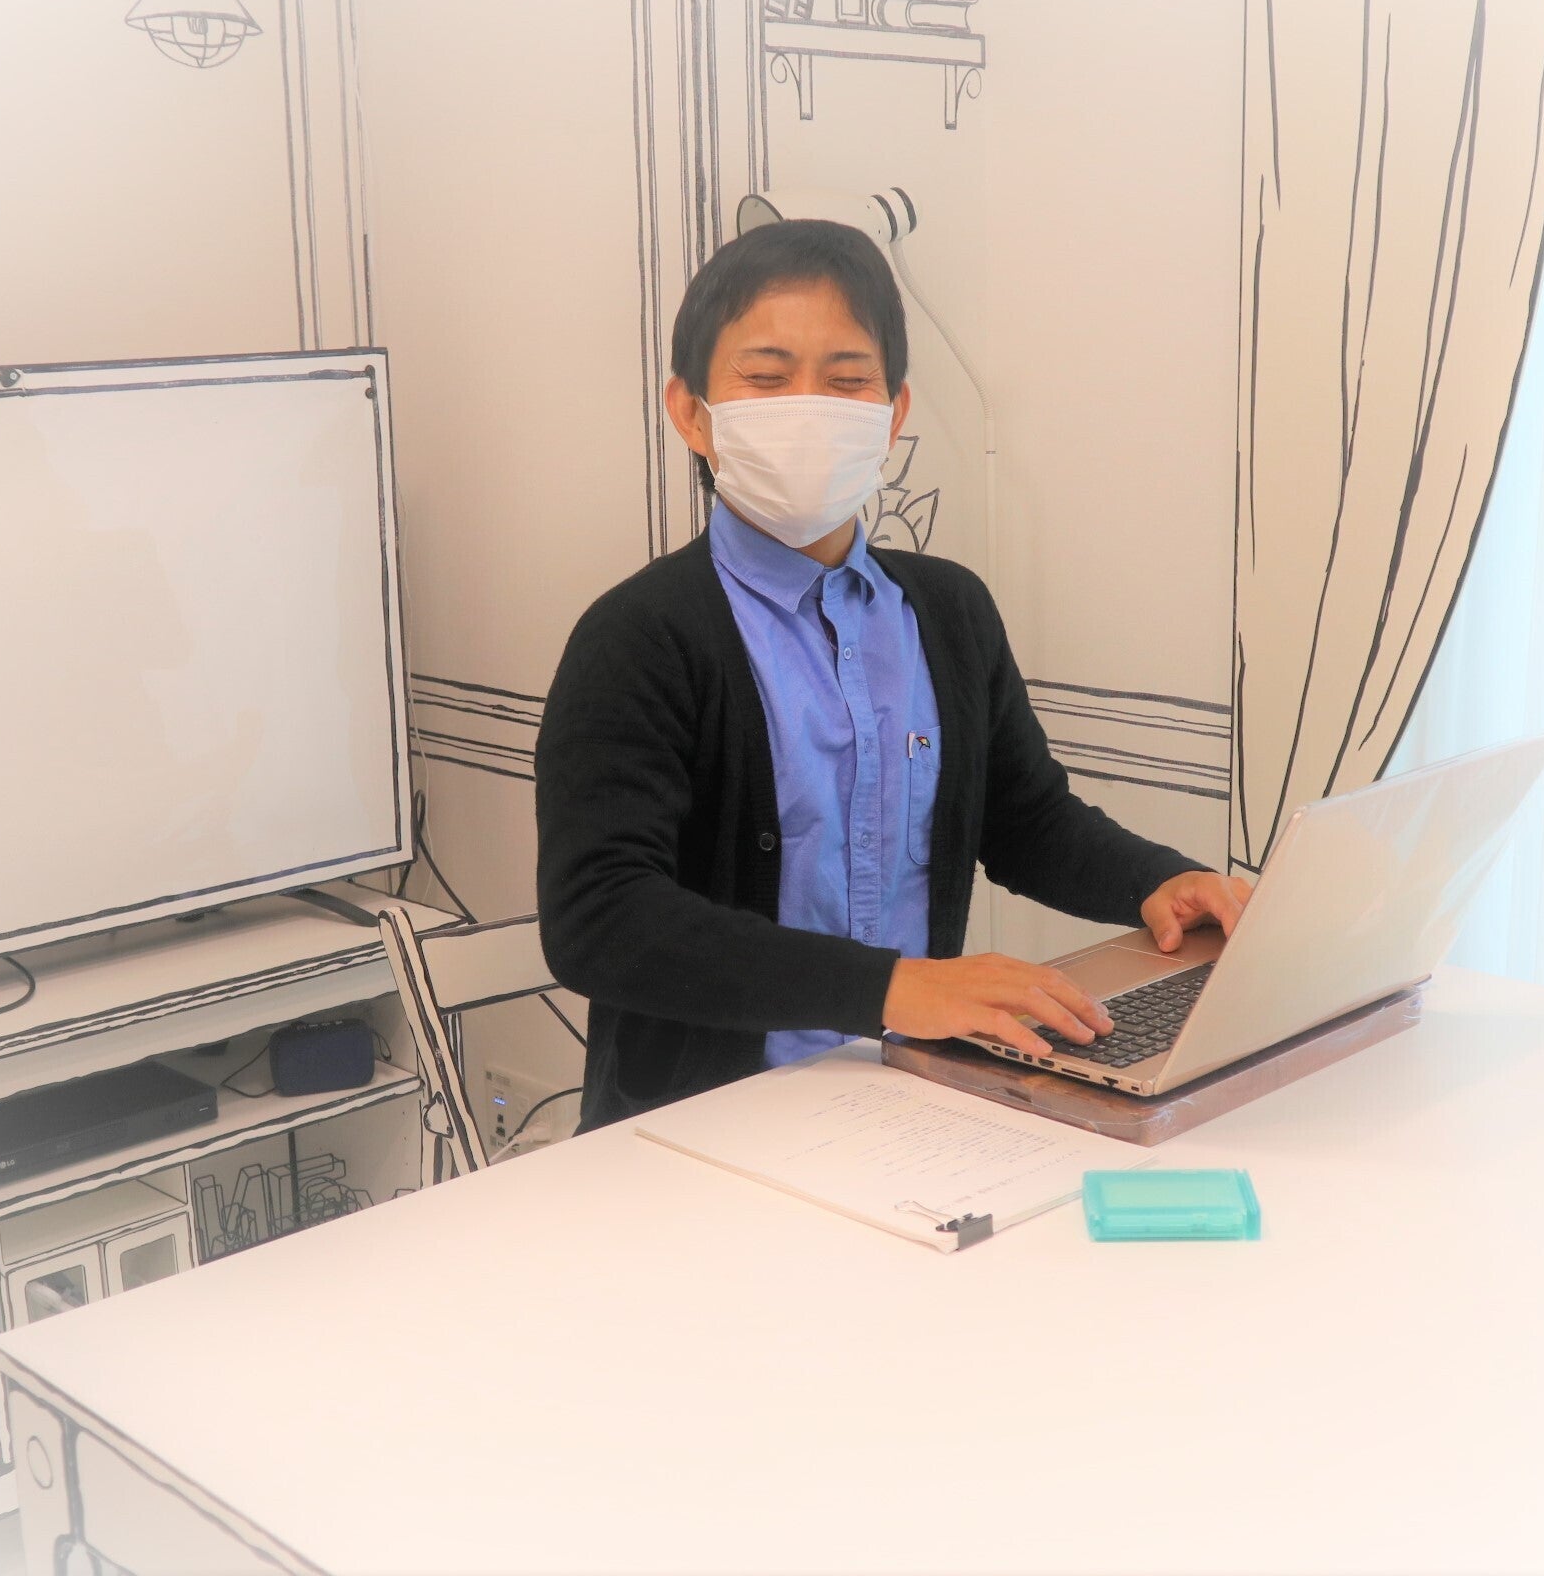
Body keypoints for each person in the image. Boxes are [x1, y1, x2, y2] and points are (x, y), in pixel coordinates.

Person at [536, 219, 1254, 1130]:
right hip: (706, 1122)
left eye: (847, 381)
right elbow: (602, 919)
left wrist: (1156, 881)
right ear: (691, 412)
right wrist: (893, 988)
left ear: (893, 413)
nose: (809, 406)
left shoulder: (950, 611)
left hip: (918, 1096)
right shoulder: (637, 636)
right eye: (767, 378)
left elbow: (1025, 820)